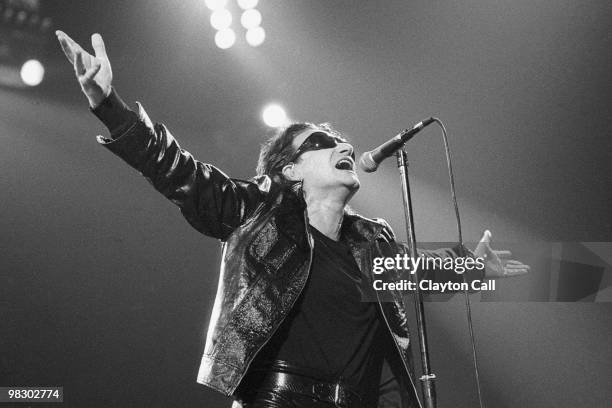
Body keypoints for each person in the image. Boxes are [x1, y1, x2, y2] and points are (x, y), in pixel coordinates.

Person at [55, 31, 529, 408]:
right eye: (321, 143)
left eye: (341, 140)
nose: (343, 146)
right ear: (289, 170)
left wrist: (472, 269)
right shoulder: (257, 213)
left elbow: (421, 272)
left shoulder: (372, 241)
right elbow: (179, 172)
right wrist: (108, 106)